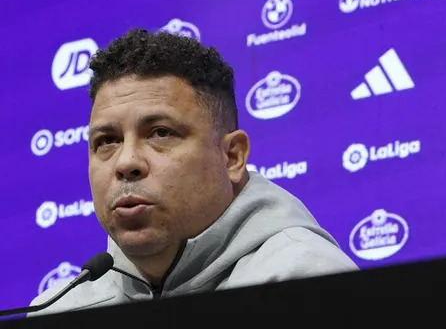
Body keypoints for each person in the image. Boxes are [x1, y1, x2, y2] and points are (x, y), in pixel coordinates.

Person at [29, 28, 358, 316]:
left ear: (232, 157)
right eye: (108, 141)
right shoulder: (60, 309)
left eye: (160, 133)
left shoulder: (307, 281)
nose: (126, 162)